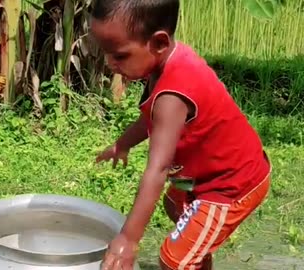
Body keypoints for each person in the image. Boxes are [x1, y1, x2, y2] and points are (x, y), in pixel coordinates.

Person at [90, 0, 272, 269]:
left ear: (159, 43)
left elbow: (158, 168)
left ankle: (191, 258)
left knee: (173, 260)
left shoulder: (173, 93)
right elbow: (151, 118)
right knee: (175, 205)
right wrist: (123, 144)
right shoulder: (165, 62)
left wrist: (128, 239)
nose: (110, 64)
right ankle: (197, 259)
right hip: (204, 177)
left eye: (119, 55)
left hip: (231, 185)